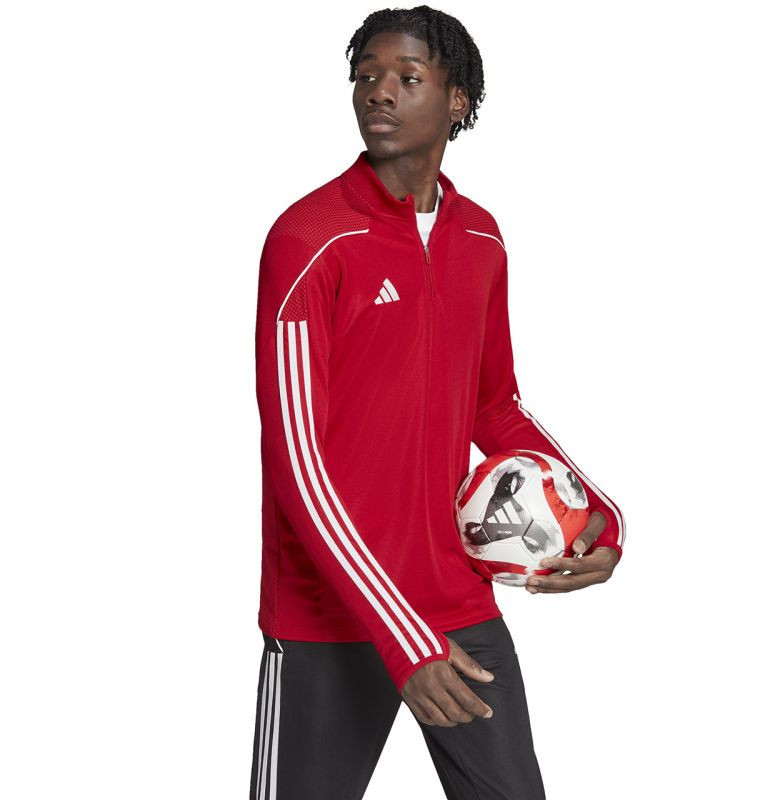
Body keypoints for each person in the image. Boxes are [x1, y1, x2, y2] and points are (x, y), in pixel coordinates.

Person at [250, 6, 626, 799]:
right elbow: (296, 464)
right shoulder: (309, 239)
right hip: (330, 617)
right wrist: (401, 637)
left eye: (407, 77)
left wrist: (598, 515)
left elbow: (496, 406)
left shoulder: (481, 240)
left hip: (454, 601)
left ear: (458, 101)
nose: (379, 92)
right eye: (366, 76)